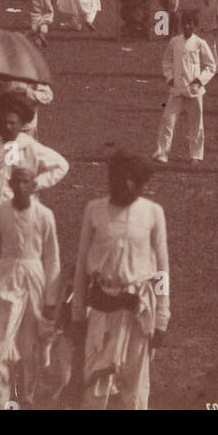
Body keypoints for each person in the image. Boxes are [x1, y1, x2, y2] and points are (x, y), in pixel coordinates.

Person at [72, 152, 170, 410]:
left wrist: (162, 317)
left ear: (139, 184)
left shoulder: (152, 213)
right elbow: (82, 264)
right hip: (101, 307)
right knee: (95, 382)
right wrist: (77, 314)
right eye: (113, 178)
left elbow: (161, 269)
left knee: (134, 384)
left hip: (138, 310)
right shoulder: (94, 210)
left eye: (125, 180)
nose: (116, 184)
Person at [0, 164, 62, 409]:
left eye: (25, 181)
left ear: (33, 185)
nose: (19, 186)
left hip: (33, 282)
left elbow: (52, 258)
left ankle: (26, 397)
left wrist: (50, 299)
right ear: (9, 184)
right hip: (4, 281)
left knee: (28, 345)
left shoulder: (44, 215)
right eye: (15, 181)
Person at [0, 91, 69, 213]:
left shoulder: (30, 147)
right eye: (5, 122)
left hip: (23, 211)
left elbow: (61, 165)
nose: (8, 127)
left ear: (21, 124)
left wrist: (35, 184)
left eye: (12, 123)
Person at [152, 11, 215, 165]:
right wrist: (170, 77)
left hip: (194, 90)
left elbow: (211, 66)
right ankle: (162, 152)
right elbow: (166, 62)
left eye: (190, 24)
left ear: (195, 26)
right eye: (185, 23)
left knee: (196, 122)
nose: (187, 26)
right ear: (181, 25)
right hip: (177, 88)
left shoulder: (200, 43)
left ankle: (196, 155)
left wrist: (200, 80)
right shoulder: (174, 41)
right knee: (168, 119)